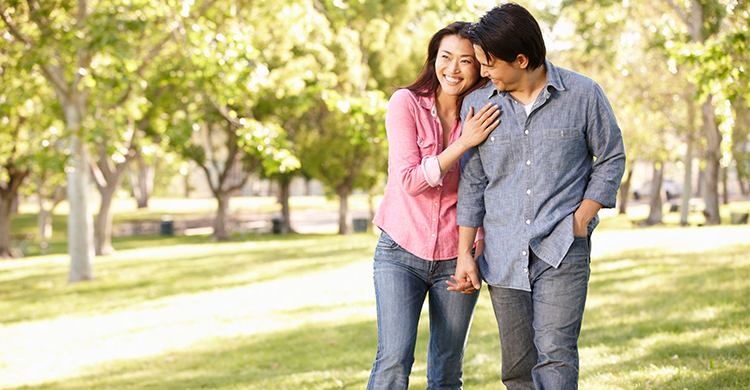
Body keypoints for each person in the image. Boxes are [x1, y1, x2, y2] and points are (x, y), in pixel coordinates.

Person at [448, 4, 626, 390]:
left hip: (562, 246)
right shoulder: (479, 105)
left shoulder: (583, 94)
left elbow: (611, 156)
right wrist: (465, 252)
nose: (483, 73)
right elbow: (474, 181)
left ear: (522, 59)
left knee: (556, 354)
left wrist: (581, 219)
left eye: (489, 64)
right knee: (517, 367)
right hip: (503, 250)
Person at [367, 21, 500, 390]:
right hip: (400, 252)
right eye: (446, 57)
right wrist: (462, 143)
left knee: (446, 368)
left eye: (466, 61)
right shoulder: (405, 103)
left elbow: (488, 185)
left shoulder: (486, 111)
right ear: (433, 59)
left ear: (480, 67)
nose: (453, 69)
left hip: (456, 256)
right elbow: (409, 180)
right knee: (394, 359)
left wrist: (475, 249)